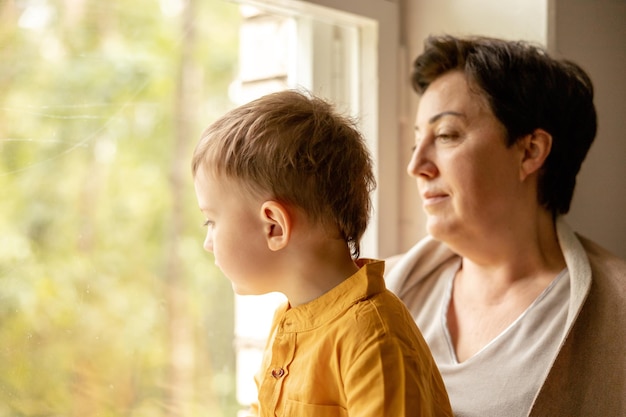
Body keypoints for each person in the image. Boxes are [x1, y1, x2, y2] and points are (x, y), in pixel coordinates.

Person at [385, 34, 626, 417]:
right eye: (418, 141)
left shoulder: (617, 317)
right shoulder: (377, 294)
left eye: (446, 135)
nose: (417, 166)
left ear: (530, 151)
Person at [191, 90, 453, 416]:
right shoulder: (287, 321)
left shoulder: (375, 340)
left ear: (274, 227)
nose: (208, 241)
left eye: (211, 221)